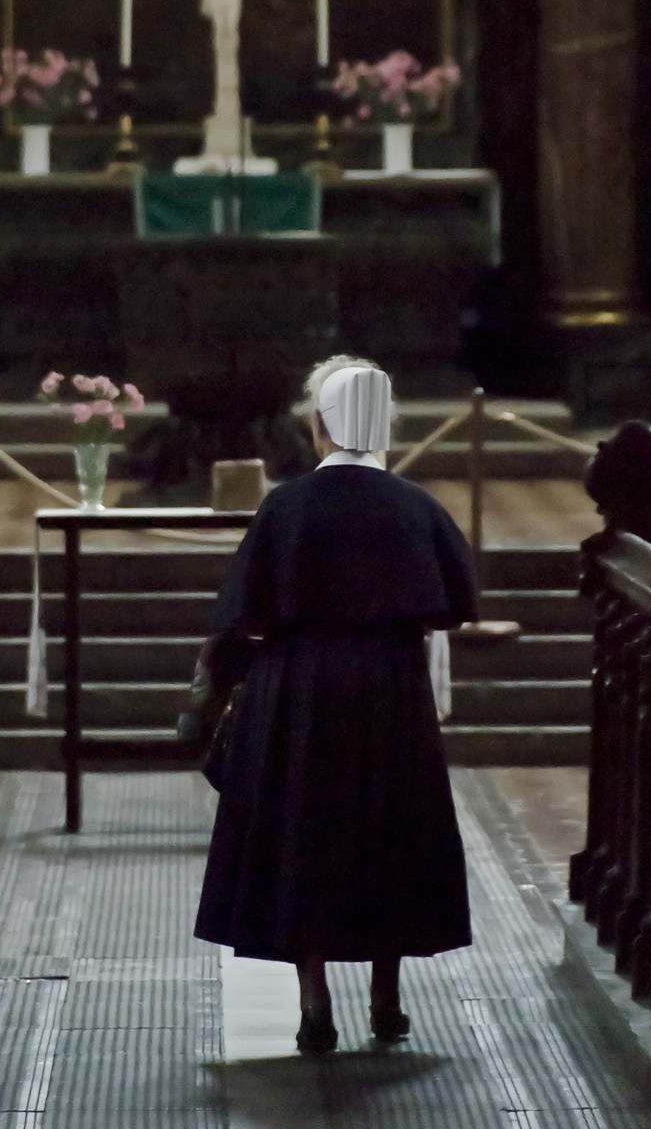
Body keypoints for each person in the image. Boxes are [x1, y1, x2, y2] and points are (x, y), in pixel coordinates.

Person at [192, 355, 476, 1055]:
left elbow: (241, 611)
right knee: (389, 836)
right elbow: (456, 602)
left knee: (304, 837)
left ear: (318, 426)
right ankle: (386, 997)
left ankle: (313, 1000)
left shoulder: (286, 506)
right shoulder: (415, 506)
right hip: (390, 690)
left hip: (299, 690)